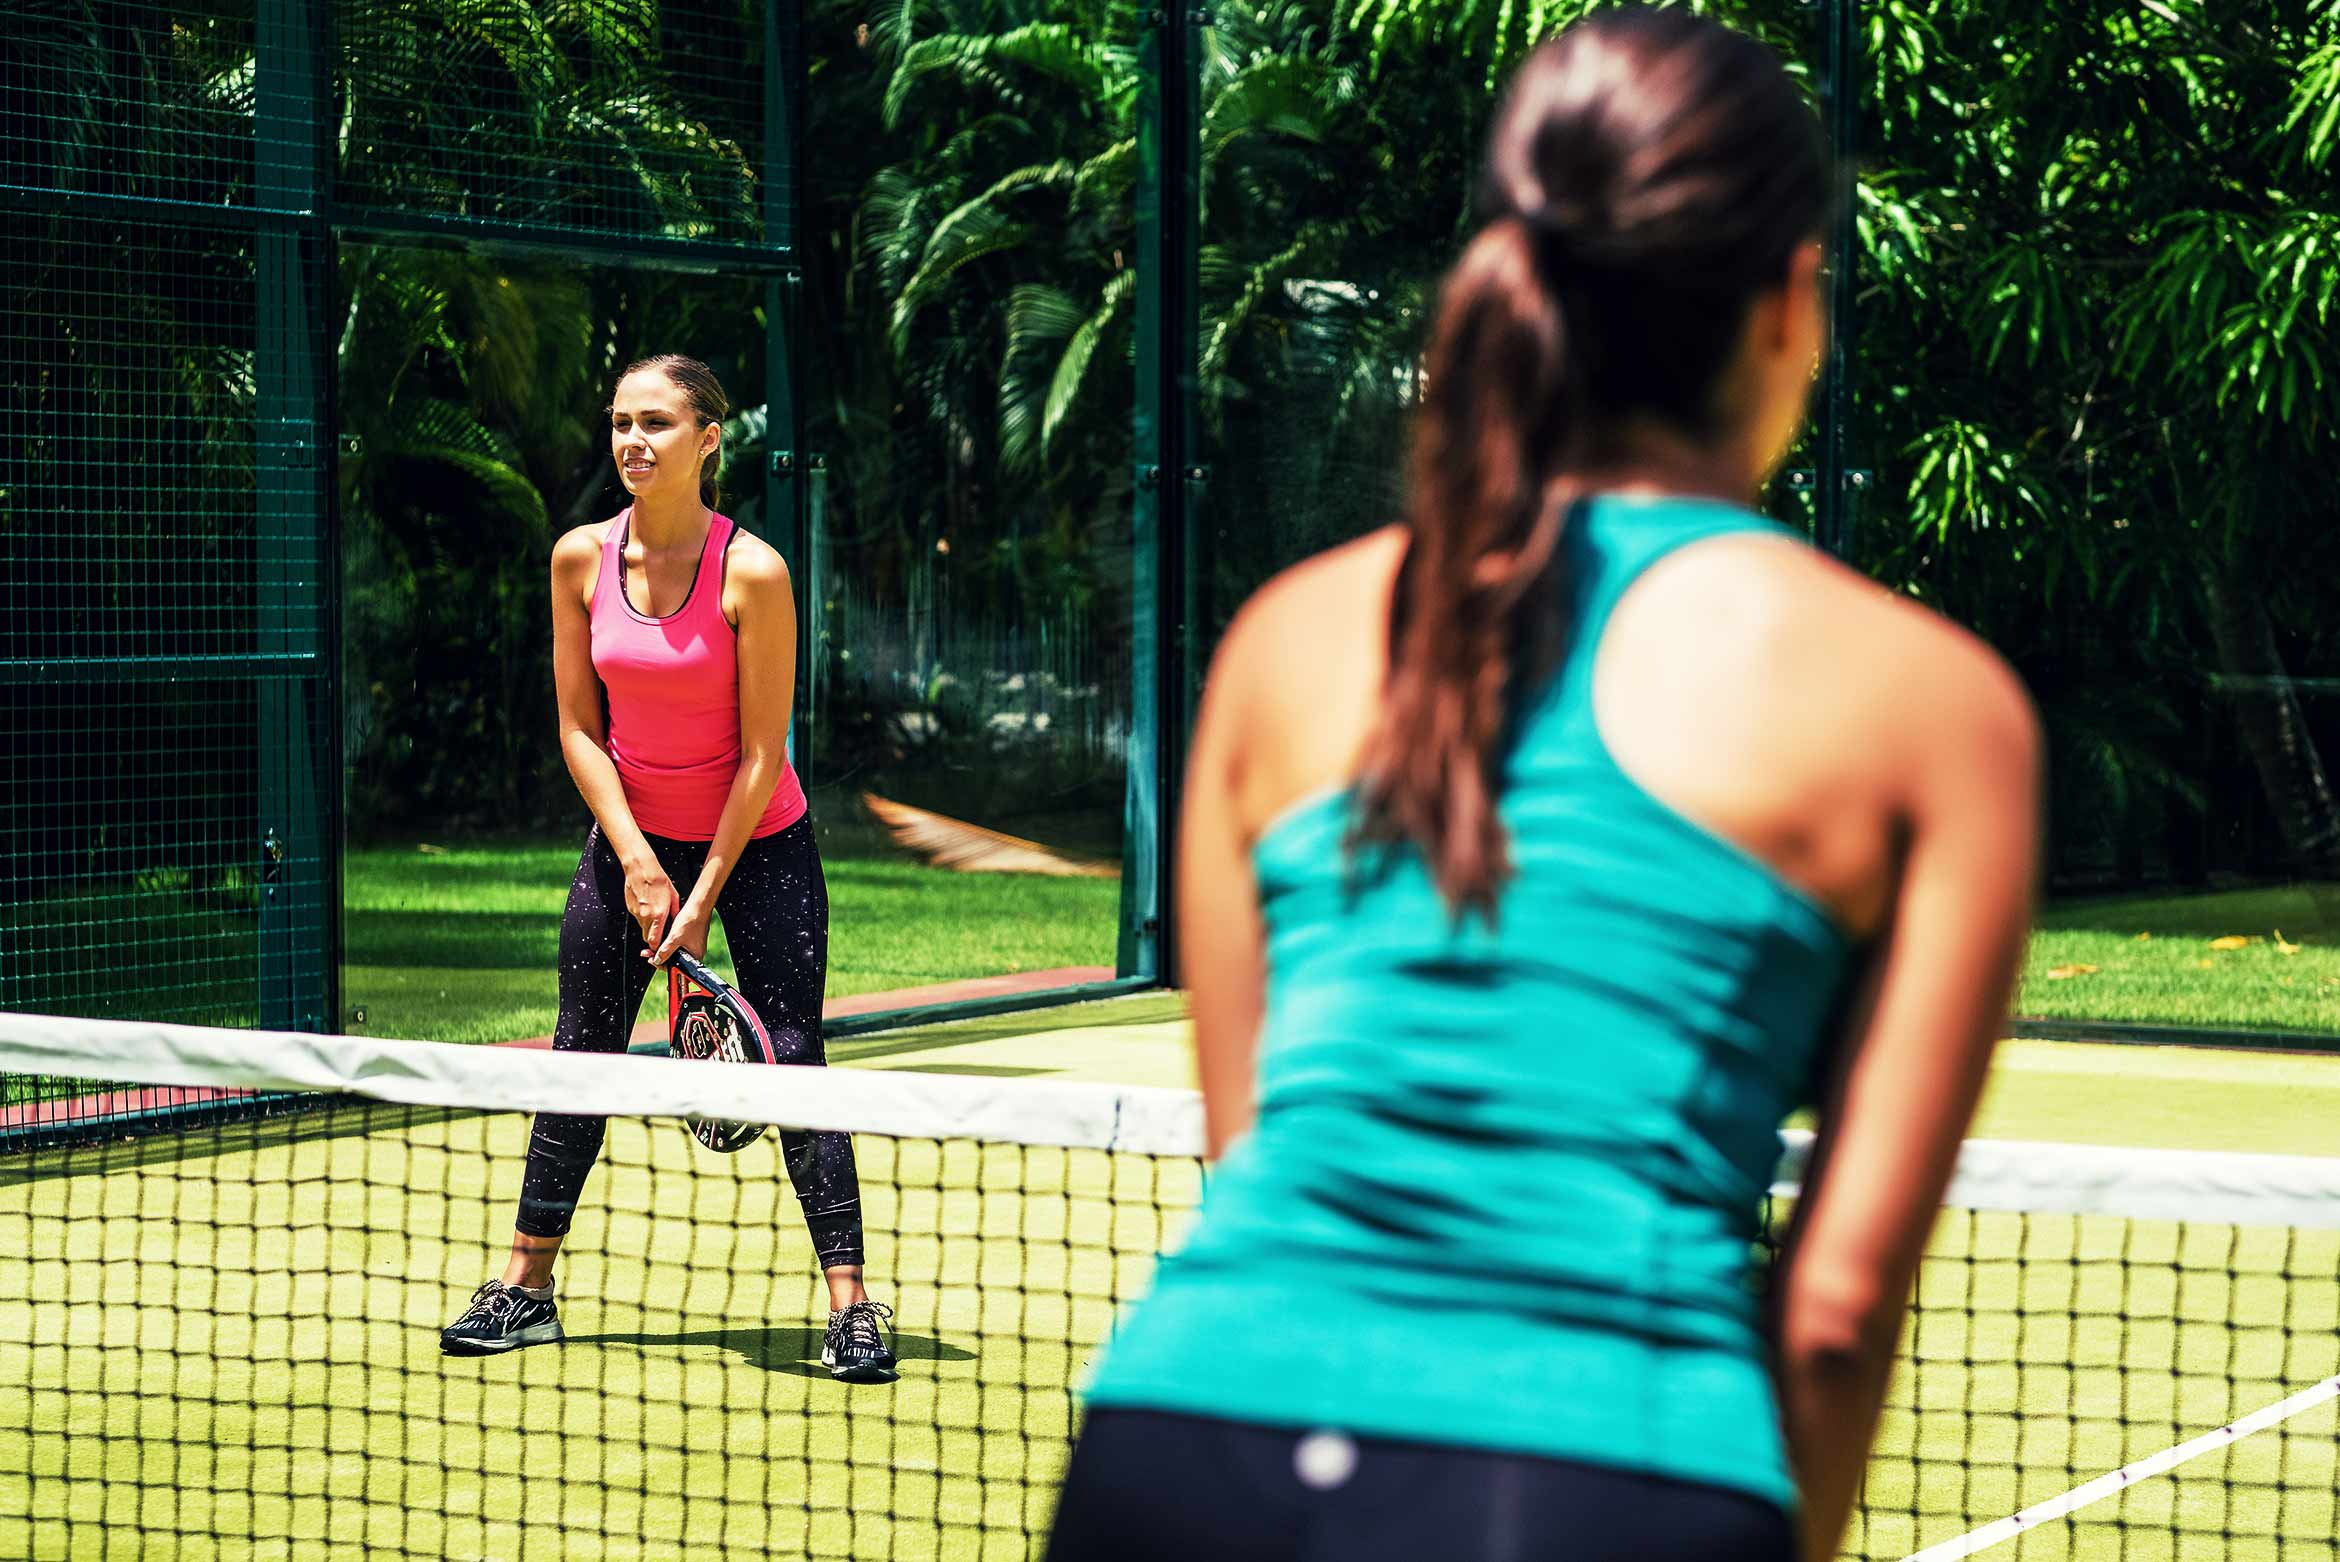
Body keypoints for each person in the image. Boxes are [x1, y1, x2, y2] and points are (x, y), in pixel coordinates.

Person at [1048, 11, 2040, 1561]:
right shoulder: (1934, 707)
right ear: (1790, 302)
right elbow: (1836, 1312)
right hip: (1601, 1484)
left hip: (1178, 1448)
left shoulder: (1285, 640)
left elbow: (1255, 1155)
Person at [440, 354, 895, 1382]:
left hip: (760, 841)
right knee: (579, 1057)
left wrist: (702, 893)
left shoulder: (755, 572)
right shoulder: (577, 560)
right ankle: (524, 1286)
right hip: (631, 842)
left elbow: (763, 751)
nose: (633, 441)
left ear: (708, 438)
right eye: (619, 423)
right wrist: (642, 865)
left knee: (793, 1060)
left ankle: (853, 1304)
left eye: (656, 422)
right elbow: (576, 726)